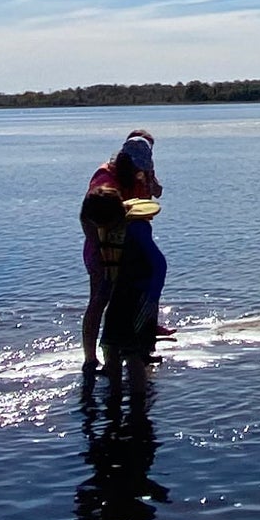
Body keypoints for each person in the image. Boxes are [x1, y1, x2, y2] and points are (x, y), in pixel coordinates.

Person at [79, 130, 164, 370]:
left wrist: (150, 176)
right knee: (100, 299)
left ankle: (139, 349)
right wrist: (99, 248)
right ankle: (91, 358)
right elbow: (88, 214)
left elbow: (155, 194)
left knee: (136, 295)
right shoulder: (106, 177)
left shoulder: (141, 174)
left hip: (132, 245)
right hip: (104, 247)